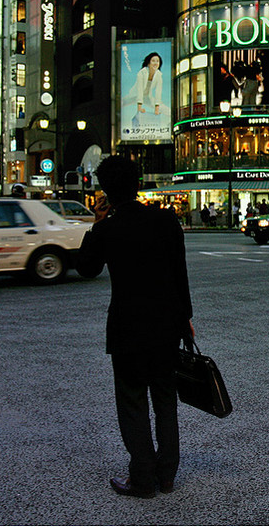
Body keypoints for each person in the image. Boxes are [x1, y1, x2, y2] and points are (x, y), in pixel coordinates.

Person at [76, 156, 195, 499]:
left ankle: (142, 478)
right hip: (166, 324)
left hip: (127, 326)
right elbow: (179, 275)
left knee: (132, 403)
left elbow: (86, 268)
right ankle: (168, 474)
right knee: (165, 401)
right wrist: (185, 319)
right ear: (138, 183)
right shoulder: (166, 221)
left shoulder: (107, 228)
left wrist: (97, 223)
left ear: (106, 191)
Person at [133, 53, 165, 117]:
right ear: (148, 63)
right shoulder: (141, 73)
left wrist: (156, 109)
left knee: (165, 109)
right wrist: (139, 109)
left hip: (147, 97)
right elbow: (139, 90)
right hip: (134, 95)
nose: (155, 63)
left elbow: (158, 92)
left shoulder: (159, 75)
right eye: (153, 61)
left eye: (157, 61)